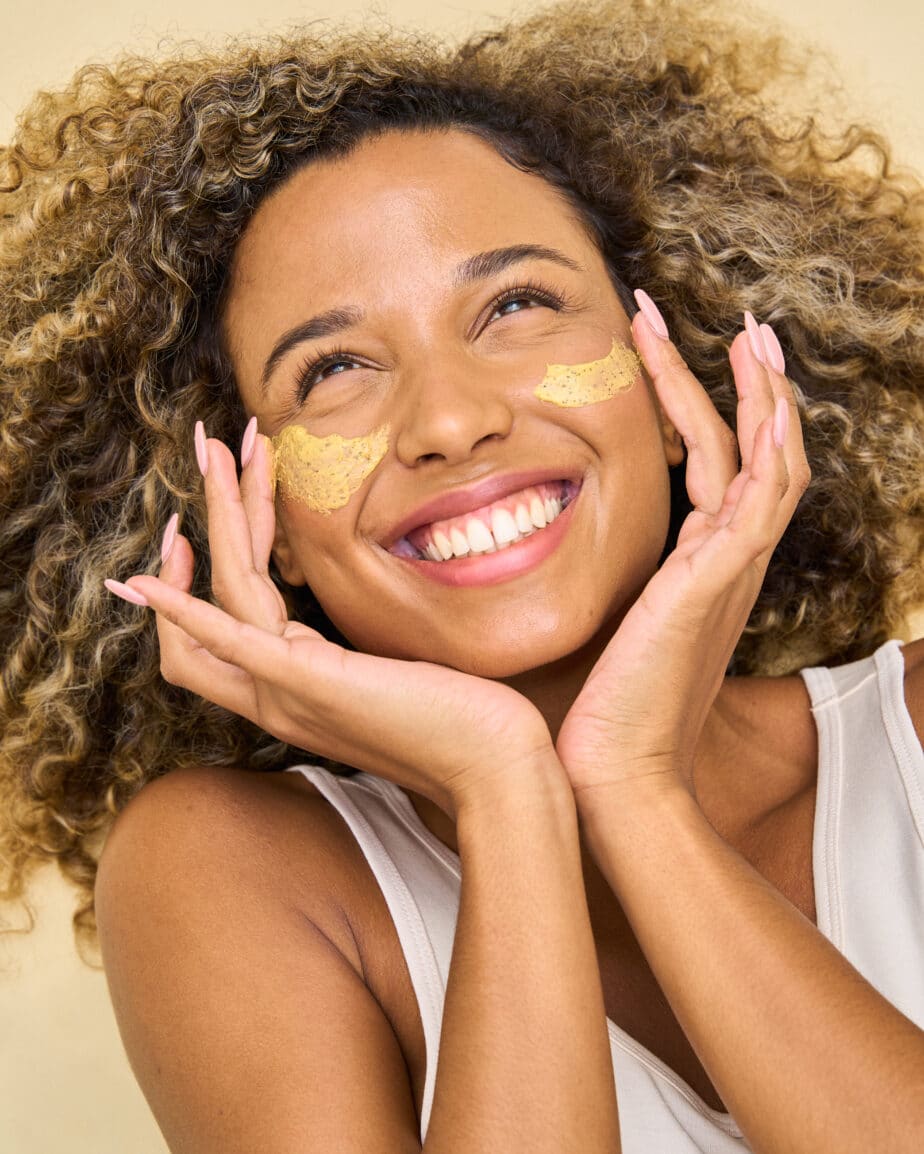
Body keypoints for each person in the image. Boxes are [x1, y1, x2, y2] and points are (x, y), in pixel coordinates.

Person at [1, 0, 922, 1149]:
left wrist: (635, 787)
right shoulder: (235, 871)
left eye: (516, 305)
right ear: (263, 514)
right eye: (333, 369)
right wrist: (507, 793)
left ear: (668, 369)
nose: (448, 419)